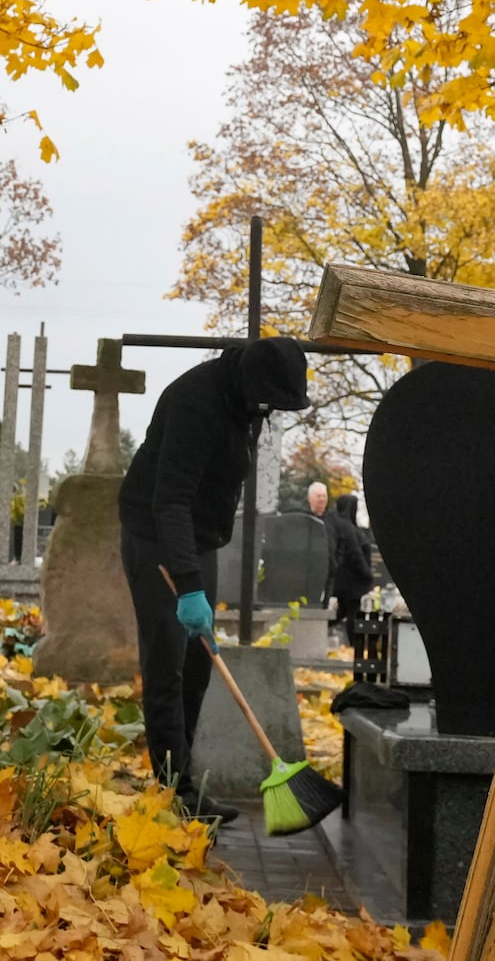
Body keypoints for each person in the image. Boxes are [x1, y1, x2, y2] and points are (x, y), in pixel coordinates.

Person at [118, 338, 310, 823]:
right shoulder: (194, 401)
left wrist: (199, 571)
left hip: (198, 538)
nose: (270, 414)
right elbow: (171, 499)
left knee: (199, 666)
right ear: (253, 385)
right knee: (168, 663)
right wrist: (187, 583)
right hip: (155, 534)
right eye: (270, 404)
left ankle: (185, 785)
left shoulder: (245, 401)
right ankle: (173, 797)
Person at [327, 492, 374, 638]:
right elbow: (355, 552)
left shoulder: (336, 523)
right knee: (352, 612)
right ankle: (354, 644)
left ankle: (321, 628)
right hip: (352, 580)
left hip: (343, 578)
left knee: (342, 611)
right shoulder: (347, 527)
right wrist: (366, 573)